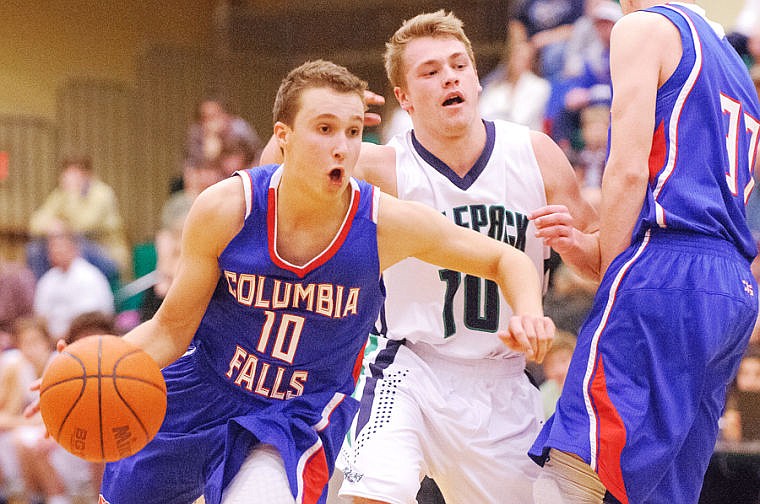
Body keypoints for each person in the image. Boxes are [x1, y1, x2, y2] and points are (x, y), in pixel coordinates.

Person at [25, 59, 553, 504]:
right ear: (284, 137)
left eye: (352, 131)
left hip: (296, 413)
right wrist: (84, 371)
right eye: (324, 129)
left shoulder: (385, 224)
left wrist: (529, 310)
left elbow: (506, 260)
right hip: (207, 386)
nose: (342, 146)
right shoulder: (228, 208)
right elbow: (169, 331)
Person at [274, 11, 598, 504]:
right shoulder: (383, 166)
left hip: (501, 380)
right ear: (403, 97)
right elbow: (271, 175)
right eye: (429, 71)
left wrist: (576, 247)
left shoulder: (535, 154)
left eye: (459, 65)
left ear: (474, 78)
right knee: (375, 494)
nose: (449, 76)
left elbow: (605, 266)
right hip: (410, 369)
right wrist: (324, 124)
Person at [528, 2, 760, 503]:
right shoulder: (733, 64)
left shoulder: (644, 27)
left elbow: (629, 170)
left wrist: (611, 269)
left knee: (573, 473)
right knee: (660, 493)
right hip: (733, 287)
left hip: (668, 265)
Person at [27, 154, 130, 282]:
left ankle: (78, 297)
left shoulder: (102, 193)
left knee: (77, 247)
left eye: (75, 174)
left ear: (88, 174)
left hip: (108, 256)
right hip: (78, 246)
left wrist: (72, 196)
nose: (69, 179)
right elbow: (35, 223)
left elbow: (83, 226)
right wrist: (53, 225)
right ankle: (46, 294)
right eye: (67, 174)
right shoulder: (60, 194)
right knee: (35, 249)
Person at [32, 221, 115, 341]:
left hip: (85, 340)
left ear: (74, 247)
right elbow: (40, 317)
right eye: (52, 246)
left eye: (60, 245)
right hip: (52, 343)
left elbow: (88, 322)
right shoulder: (47, 280)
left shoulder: (89, 276)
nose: (55, 250)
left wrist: (63, 339)